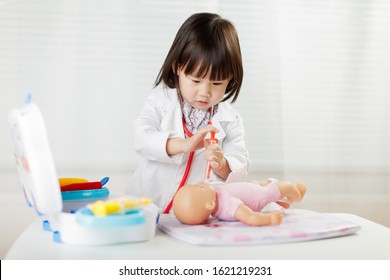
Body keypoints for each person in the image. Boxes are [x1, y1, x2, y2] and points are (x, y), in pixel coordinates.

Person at [126, 13, 250, 212]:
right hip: (146, 206)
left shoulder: (230, 120)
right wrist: (184, 145)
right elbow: (142, 138)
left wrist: (222, 164)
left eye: (217, 83)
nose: (205, 92)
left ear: (231, 79)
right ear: (177, 67)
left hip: (193, 215)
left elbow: (240, 163)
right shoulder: (160, 103)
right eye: (195, 80)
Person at [172, 179, 307, 226]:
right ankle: (298, 196)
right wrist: (269, 219)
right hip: (260, 195)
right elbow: (250, 217)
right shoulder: (228, 206)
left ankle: (286, 202)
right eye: (200, 187)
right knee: (287, 186)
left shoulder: (216, 197)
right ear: (210, 205)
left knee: (272, 189)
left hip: (254, 187)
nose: (200, 183)